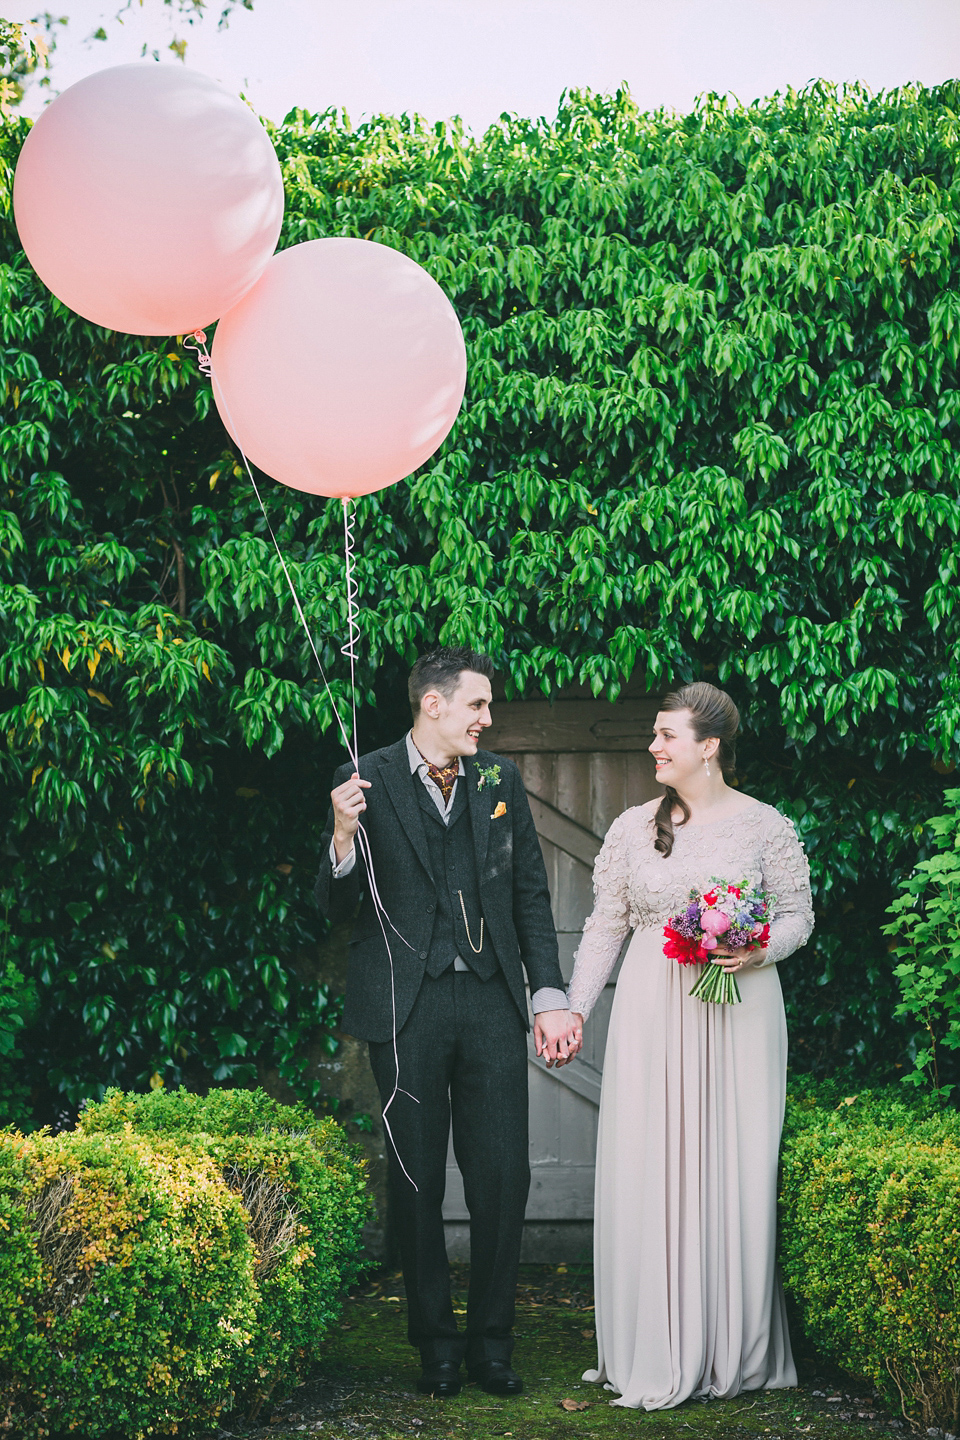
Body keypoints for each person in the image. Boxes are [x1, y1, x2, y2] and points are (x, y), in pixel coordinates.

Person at [314, 646, 580, 1399]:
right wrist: (339, 839)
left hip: (493, 1002)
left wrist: (548, 994)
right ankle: (434, 1343)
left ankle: (491, 1343)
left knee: (504, 1178)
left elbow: (530, 892)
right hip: (406, 1005)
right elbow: (336, 909)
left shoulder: (500, 779)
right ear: (433, 704)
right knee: (415, 1180)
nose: (487, 719)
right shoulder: (361, 778)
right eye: (478, 706)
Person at [564, 681, 814, 1410]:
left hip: (739, 1010)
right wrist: (573, 1012)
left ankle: (727, 1346)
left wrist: (759, 947)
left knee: (731, 1163)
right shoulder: (631, 827)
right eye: (654, 733)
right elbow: (604, 927)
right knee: (650, 1161)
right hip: (650, 1006)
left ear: (709, 746)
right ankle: (654, 1346)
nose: (654, 746)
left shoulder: (766, 826)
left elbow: (799, 916)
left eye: (667, 735)